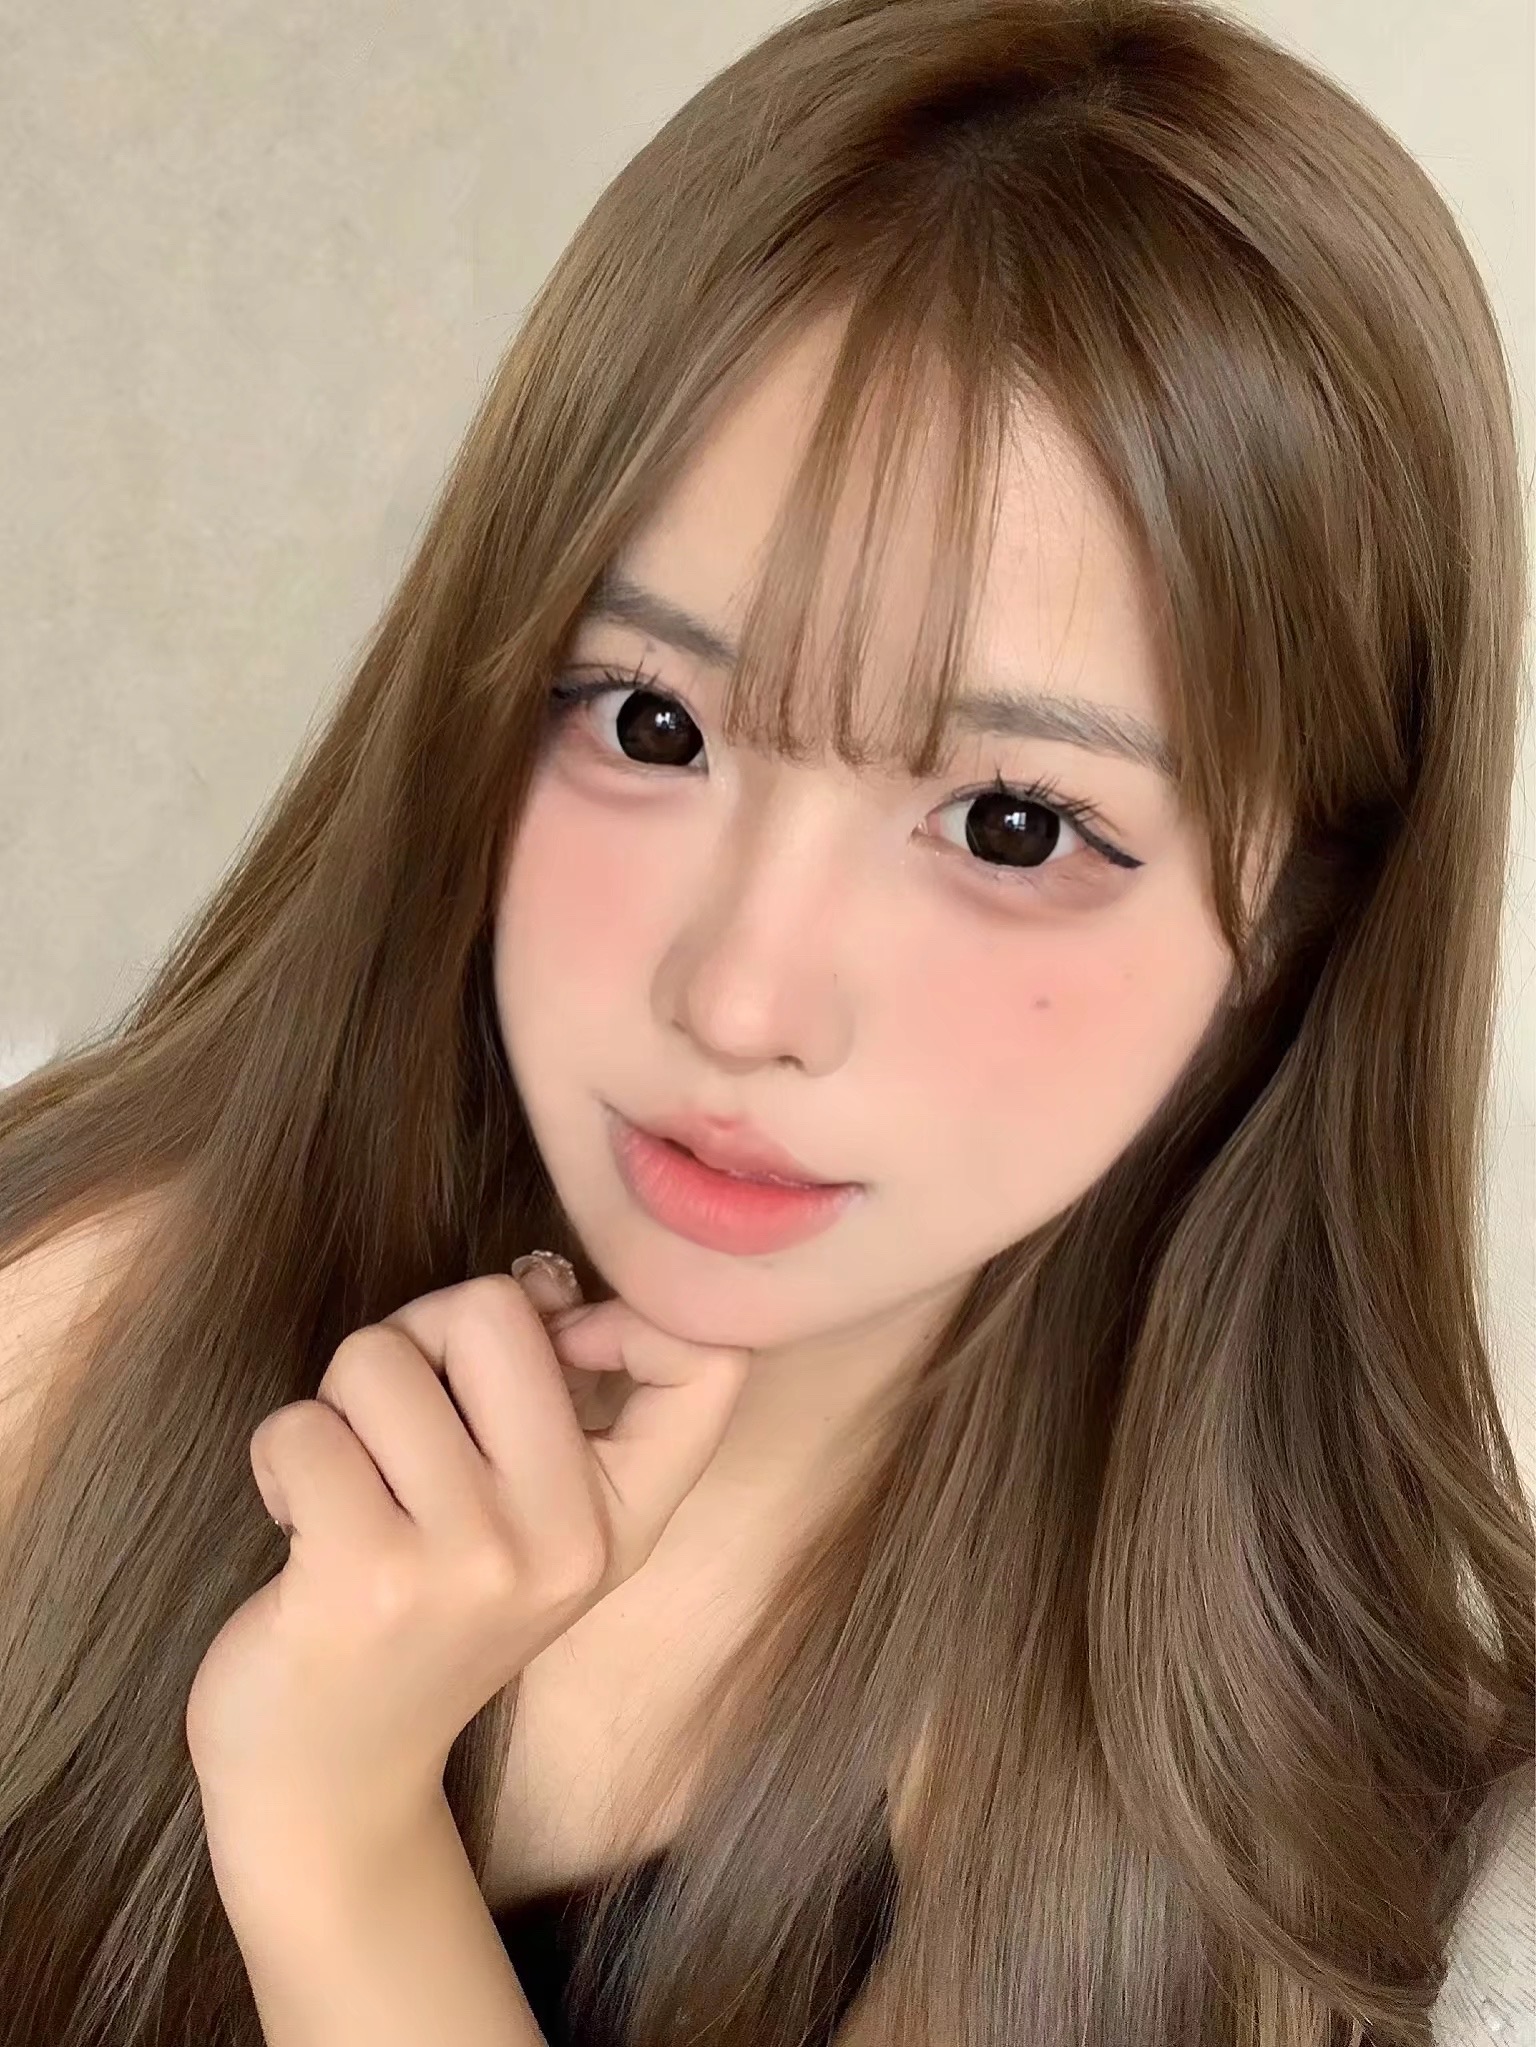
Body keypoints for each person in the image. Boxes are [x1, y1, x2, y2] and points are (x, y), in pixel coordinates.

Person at [0, 0, 1531, 2042]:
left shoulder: (1333, 1857)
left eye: (1012, 825)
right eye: (653, 721)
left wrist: (336, 1831)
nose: (739, 996)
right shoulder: (70, 1325)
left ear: (1300, 911)